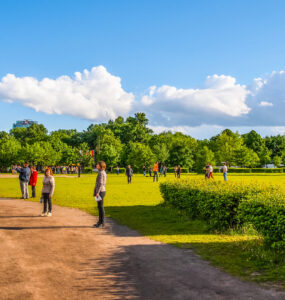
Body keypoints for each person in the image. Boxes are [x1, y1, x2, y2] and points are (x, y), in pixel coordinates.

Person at [93, 161, 107, 228]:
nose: (96, 165)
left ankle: (102, 222)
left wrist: (97, 192)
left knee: (100, 207)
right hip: (101, 191)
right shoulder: (102, 172)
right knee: (99, 207)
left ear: (100, 166)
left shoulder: (101, 173)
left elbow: (101, 183)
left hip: (100, 191)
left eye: (97, 165)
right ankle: (100, 222)